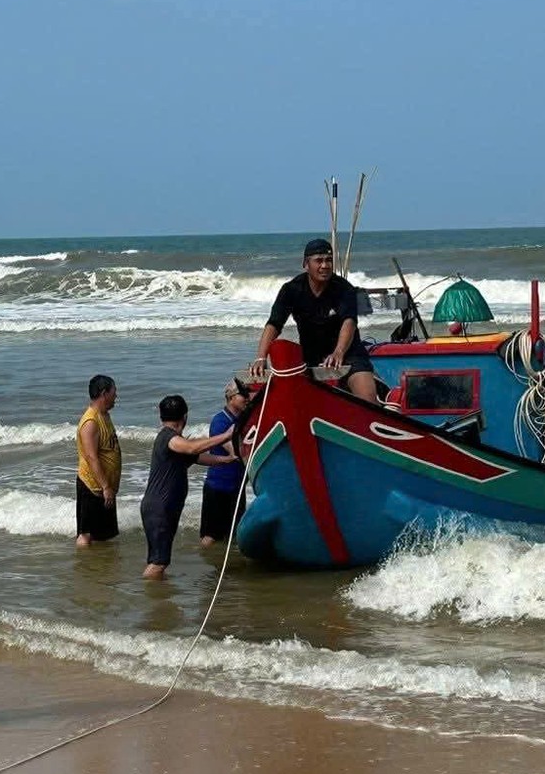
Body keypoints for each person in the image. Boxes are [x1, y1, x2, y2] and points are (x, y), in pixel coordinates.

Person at [256, 238, 380, 402]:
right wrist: (261, 358)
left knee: (368, 396)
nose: (325, 266)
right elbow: (274, 324)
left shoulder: (344, 288)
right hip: (310, 356)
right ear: (306, 264)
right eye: (319, 261)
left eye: (329, 260)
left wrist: (339, 352)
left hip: (348, 353)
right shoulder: (292, 289)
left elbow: (349, 322)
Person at [139, 395, 235, 580]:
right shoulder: (169, 437)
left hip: (161, 507)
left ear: (161, 417)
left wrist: (227, 459)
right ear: (185, 416)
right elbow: (191, 449)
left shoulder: (177, 442)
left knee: (160, 561)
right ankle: (148, 599)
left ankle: (157, 596)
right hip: (160, 508)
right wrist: (226, 436)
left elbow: (198, 457)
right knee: (158, 563)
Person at [196, 380, 250, 546]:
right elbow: (238, 453)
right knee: (211, 537)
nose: (247, 399)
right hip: (219, 487)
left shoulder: (243, 419)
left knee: (234, 533)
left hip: (236, 486)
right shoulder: (221, 421)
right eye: (243, 396)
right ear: (231, 398)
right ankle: (205, 564)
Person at [74, 374, 121, 548]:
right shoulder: (91, 421)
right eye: (114, 392)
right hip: (92, 486)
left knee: (104, 535)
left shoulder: (104, 415)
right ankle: (85, 569)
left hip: (103, 487)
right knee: (86, 535)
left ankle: (99, 570)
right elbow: (91, 457)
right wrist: (106, 486)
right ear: (104, 393)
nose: (116, 396)